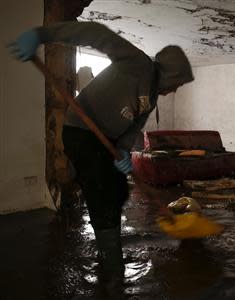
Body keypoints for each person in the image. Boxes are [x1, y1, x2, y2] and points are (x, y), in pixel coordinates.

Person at [9, 21, 194, 289]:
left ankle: (103, 235)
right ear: (168, 74)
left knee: (119, 190)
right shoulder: (136, 63)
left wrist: (122, 149)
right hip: (81, 131)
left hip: (106, 139)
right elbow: (96, 33)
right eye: (176, 83)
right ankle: (113, 266)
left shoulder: (151, 98)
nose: (175, 89)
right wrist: (41, 35)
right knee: (103, 190)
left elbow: (133, 127)